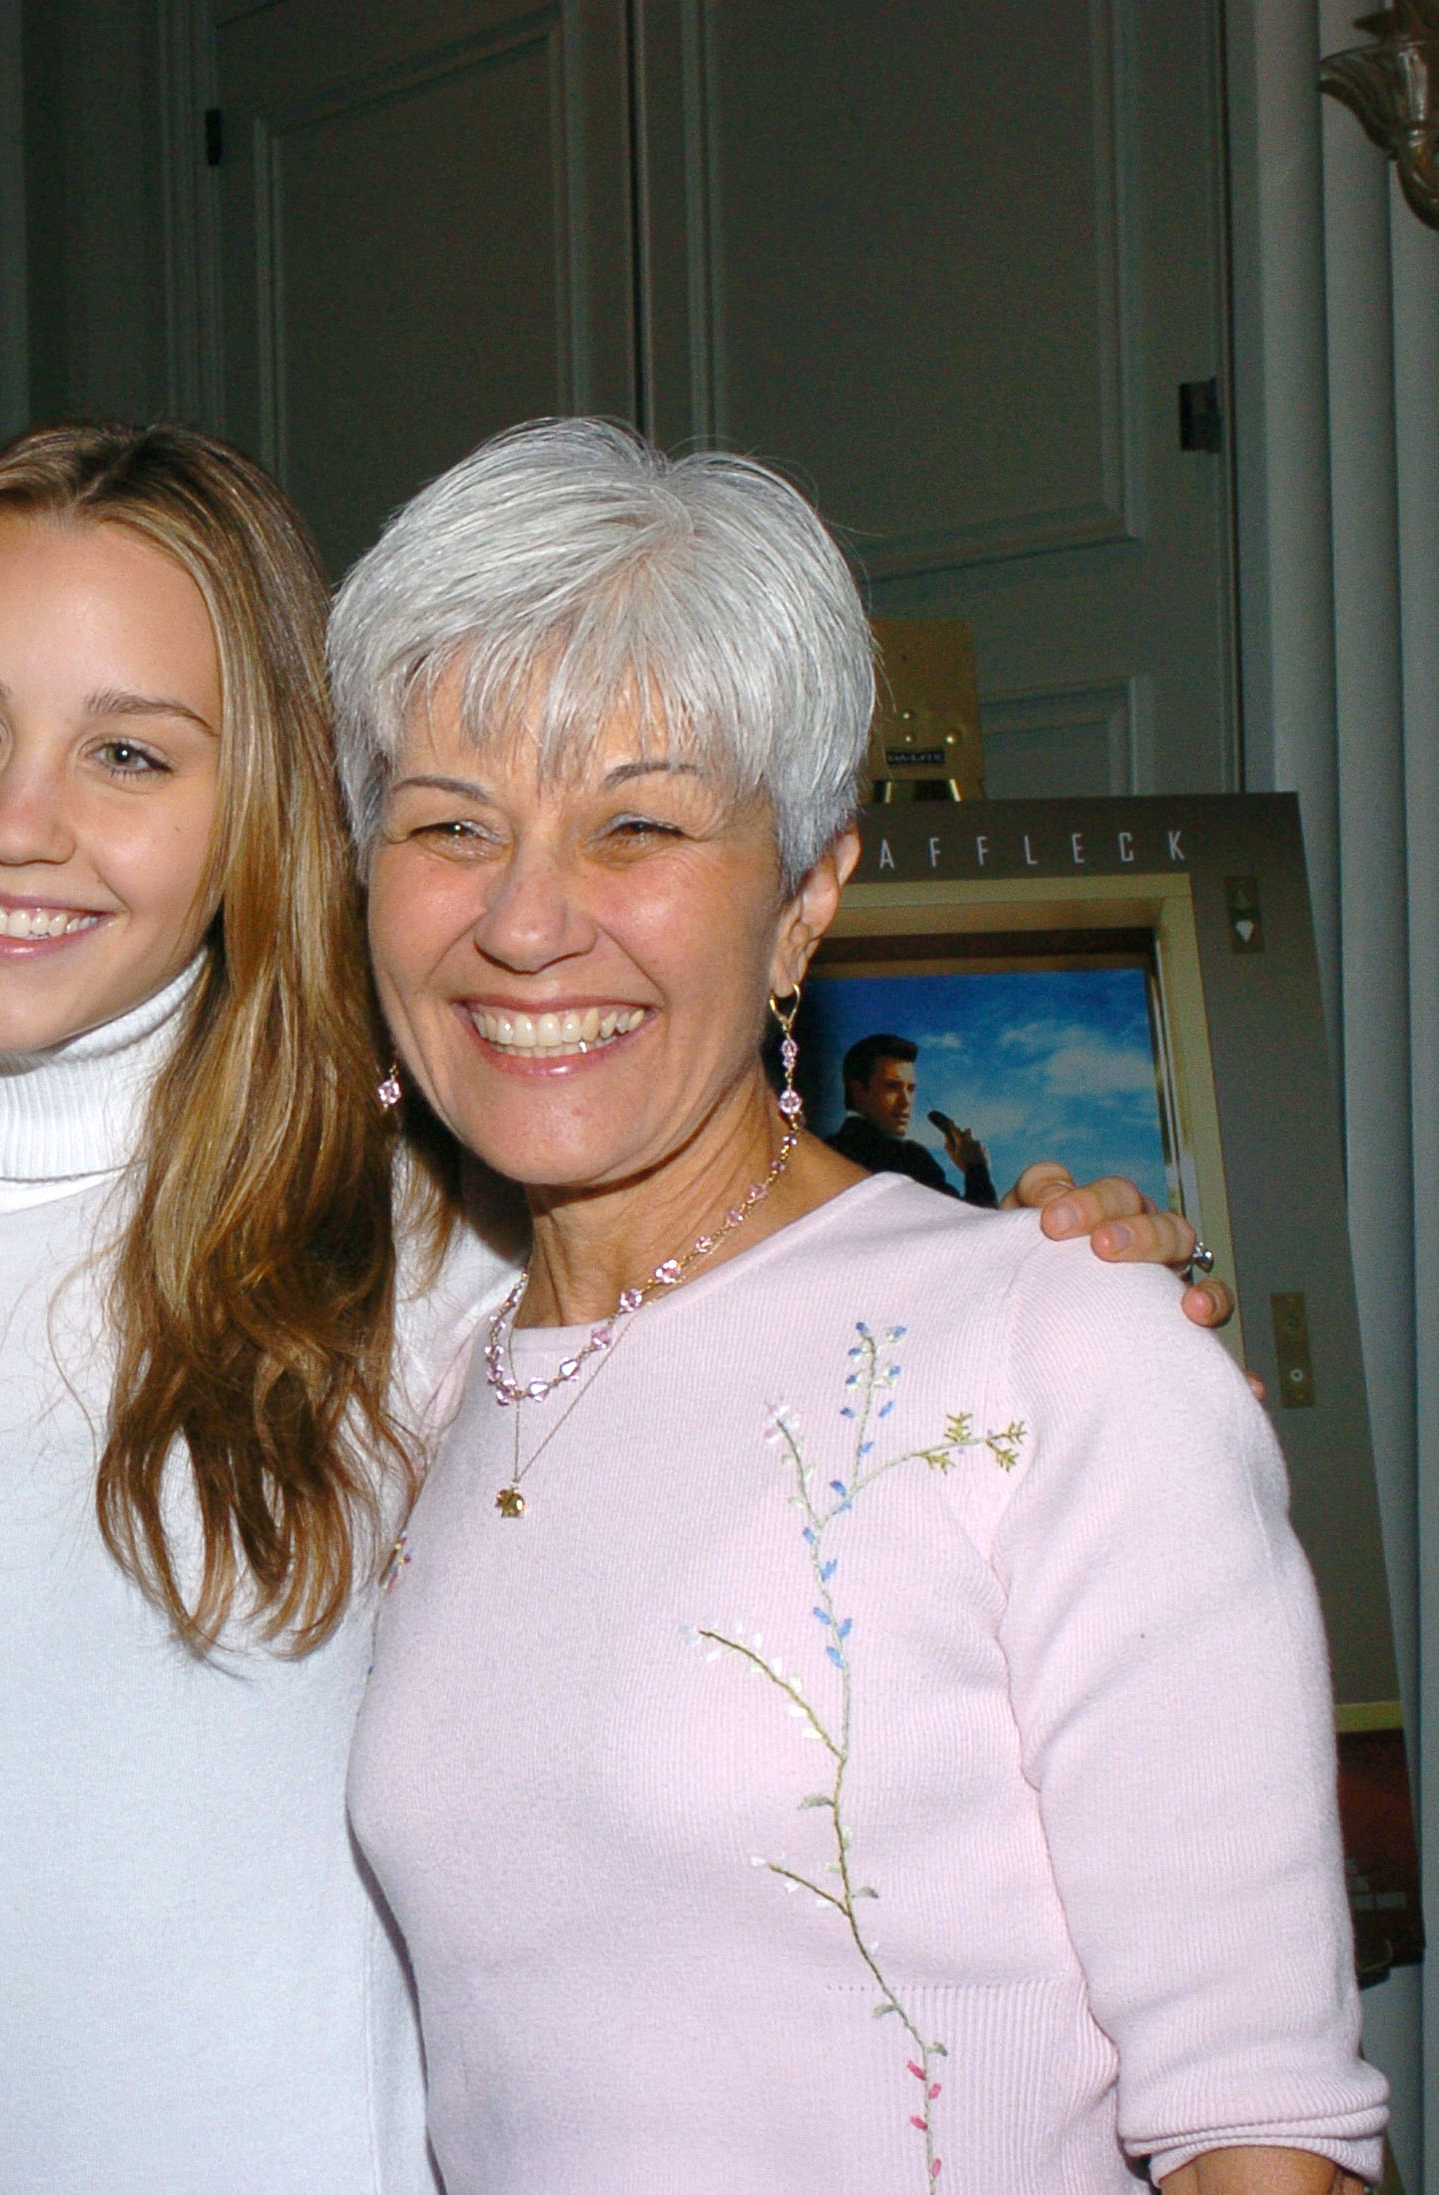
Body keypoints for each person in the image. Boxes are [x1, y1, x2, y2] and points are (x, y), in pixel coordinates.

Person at [0, 419, 1230, 2193]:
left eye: (131, 751)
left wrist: (1066, 1286)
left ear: (269, 814)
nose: (16, 821)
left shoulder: (437, 1237)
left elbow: (816, 1368)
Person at [337, 418, 1385, 2192]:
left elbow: (1263, 2130)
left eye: (639, 826)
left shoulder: (1058, 1353)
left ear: (807, 898)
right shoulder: (421, 1380)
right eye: (453, 824)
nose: (525, 922)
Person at [830, 1029, 995, 1204]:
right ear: (859, 1091)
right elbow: (979, 1225)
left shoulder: (826, 1149)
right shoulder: (910, 1159)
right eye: (892, 1087)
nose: (906, 1101)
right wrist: (976, 1168)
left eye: (911, 1089)